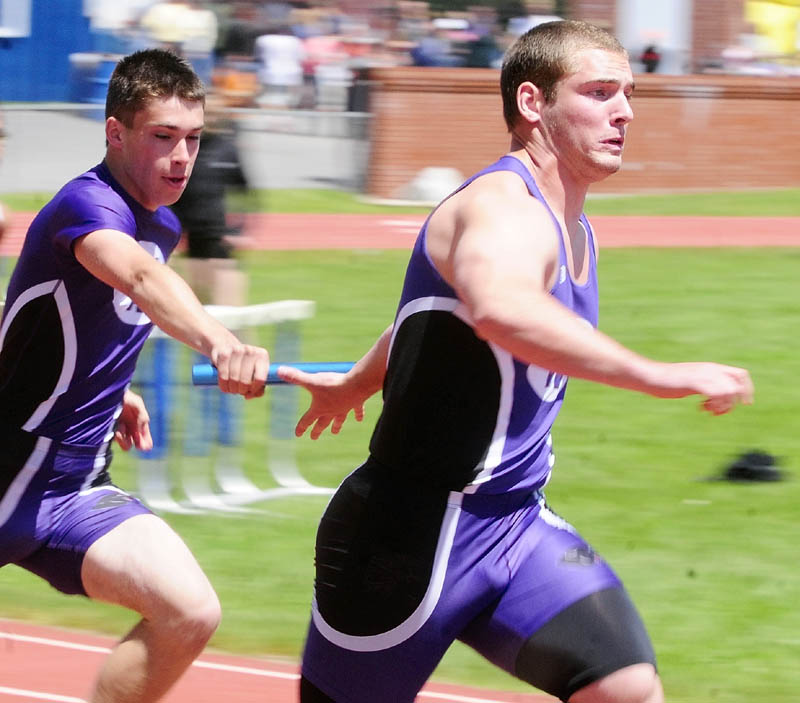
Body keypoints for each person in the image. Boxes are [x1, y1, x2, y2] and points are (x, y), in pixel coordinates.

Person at [278, 20, 754, 703]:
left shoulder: (574, 226)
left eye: (627, 93)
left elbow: (440, 316)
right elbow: (499, 307)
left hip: (514, 523)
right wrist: (661, 375)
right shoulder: (503, 207)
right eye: (598, 92)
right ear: (533, 103)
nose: (624, 111)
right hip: (406, 537)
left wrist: (356, 382)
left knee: (624, 688)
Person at [0, 49, 269, 703]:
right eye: (163, 137)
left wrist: (114, 388)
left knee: (190, 610)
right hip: (6, 469)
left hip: (73, 487)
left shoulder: (164, 223)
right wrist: (218, 338)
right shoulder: (84, 205)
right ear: (115, 132)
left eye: (194, 139)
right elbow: (141, 282)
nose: (182, 157)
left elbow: (92, 320)